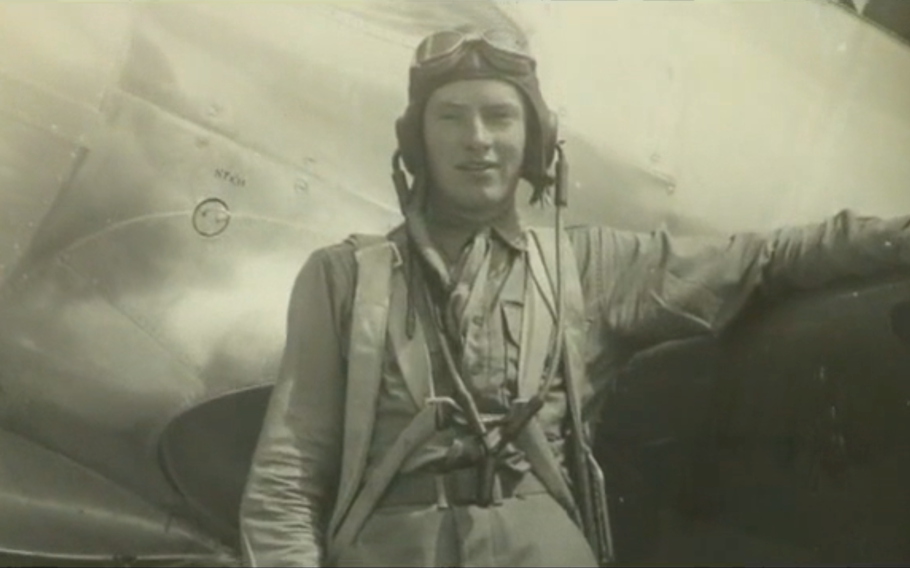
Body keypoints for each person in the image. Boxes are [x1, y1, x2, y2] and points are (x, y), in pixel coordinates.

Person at [238, 25, 910, 568]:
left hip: (541, 547)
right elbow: (287, 476)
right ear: (418, 139)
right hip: (389, 547)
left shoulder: (589, 265)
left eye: (500, 116)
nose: (477, 139)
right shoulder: (344, 277)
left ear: (535, 139)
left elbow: (762, 258)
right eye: (451, 117)